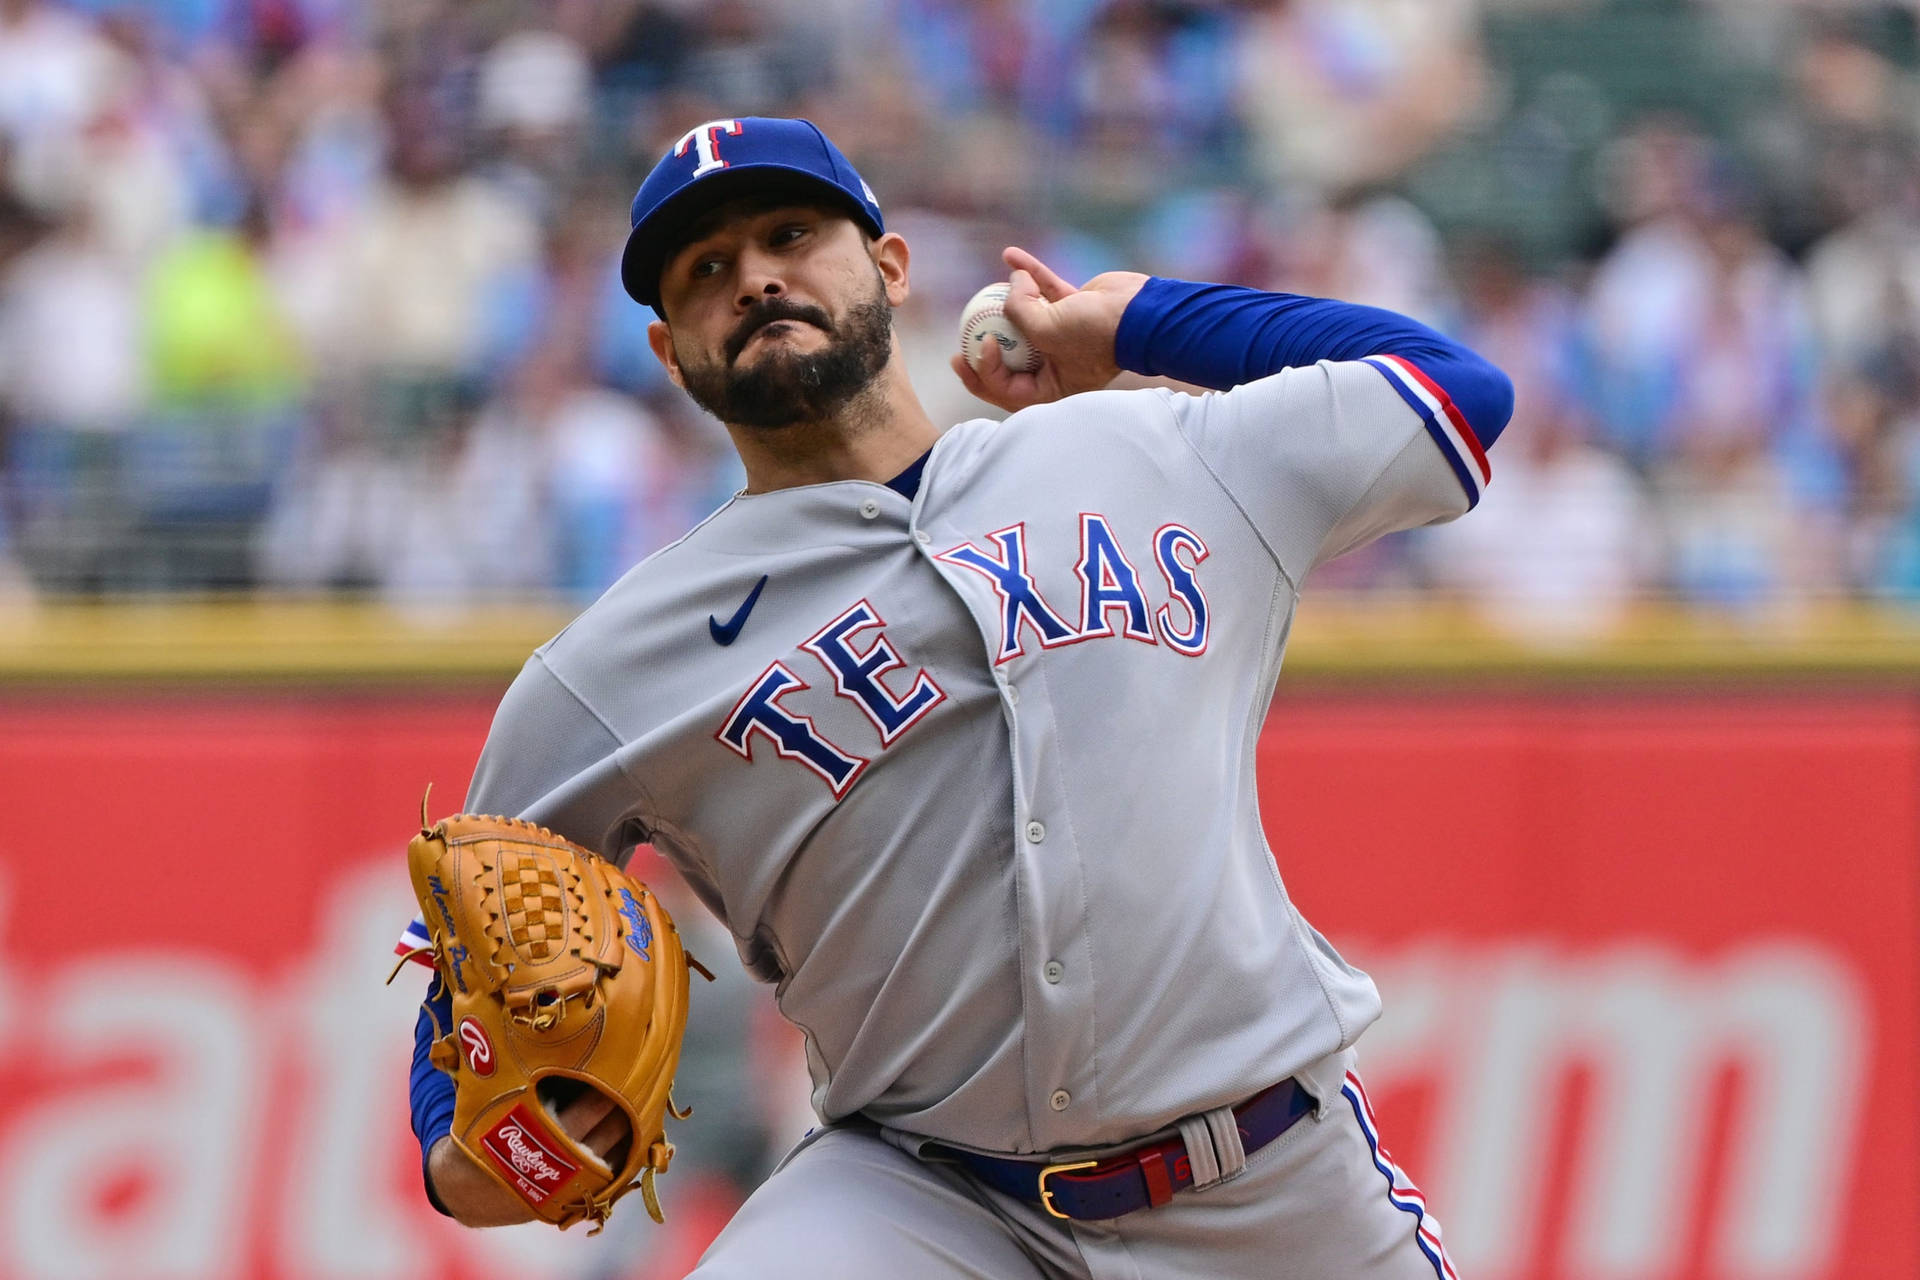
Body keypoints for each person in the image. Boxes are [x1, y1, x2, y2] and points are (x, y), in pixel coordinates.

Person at [399, 116, 1512, 1278]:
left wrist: (1135, 317)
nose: (757, 277)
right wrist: (456, 1146)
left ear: (889, 268)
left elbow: (1454, 393)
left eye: (790, 233)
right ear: (670, 353)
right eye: (706, 272)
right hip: (922, 1200)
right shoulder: (614, 664)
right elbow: (461, 950)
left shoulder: (1152, 450)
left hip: (1272, 1183)